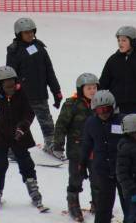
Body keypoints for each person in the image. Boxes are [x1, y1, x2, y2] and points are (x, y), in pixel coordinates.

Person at [0, 66, 45, 210]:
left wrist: (22, 127)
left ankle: (33, 188)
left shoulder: (22, 94)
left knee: (25, 162)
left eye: (12, 83)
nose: (10, 87)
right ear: (0, 85)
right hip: (1, 135)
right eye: (6, 85)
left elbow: (29, 114)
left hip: (19, 135)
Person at [6, 17, 62, 153]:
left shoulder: (39, 48)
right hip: (22, 96)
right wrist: (11, 92)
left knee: (46, 122)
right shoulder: (14, 51)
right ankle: (12, 146)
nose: (30, 34)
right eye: (26, 32)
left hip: (39, 94)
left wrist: (56, 91)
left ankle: (51, 145)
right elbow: (10, 75)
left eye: (32, 31)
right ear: (19, 34)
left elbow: (49, 71)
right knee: (20, 123)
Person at [53, 73, 99, 222]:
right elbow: (61, 125)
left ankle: (98, 204)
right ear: (81, 89)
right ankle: (73, 203)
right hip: (77, 150)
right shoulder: (71, 104)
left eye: (95, 88)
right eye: (89, 88)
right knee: (76, 178)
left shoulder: (100, 104)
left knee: (97, 178)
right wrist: (58, 144)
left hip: (95, 150)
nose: (93, 91)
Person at [80, 90, 127, 223]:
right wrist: (82, 164)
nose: (103, 114)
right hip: (103, 170)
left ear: (113, 107)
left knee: (128, 203)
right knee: (103, 205)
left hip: (122, 170)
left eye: (106, 109)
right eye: (99, 110)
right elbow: (86, 145)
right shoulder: (91, 123)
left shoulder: (123, 121)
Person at [99, 26, 136, 120]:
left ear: (133, 42)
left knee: (134, 133)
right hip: (115, 107)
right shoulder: (113, 60)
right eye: (119, 40)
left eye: (124, 40)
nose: (120, 43)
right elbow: (103, 83)